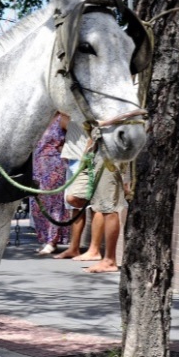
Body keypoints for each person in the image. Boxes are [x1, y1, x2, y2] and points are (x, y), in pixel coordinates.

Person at [53, 114, 128, 272]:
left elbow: (130, 115)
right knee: (73, 197)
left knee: (107, 206)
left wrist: (104, 122)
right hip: (93, 149)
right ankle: (95, 251)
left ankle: (109, 260)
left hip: (111, 149)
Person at [30, 114, 70, 255]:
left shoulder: (62, 118)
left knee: (54, 203)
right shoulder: (40, 119)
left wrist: (64, 148)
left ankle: (52, 241)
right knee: (37, 204)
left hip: (54, 164)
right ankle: (45, 238)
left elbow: (76, 136)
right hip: (37, 165)